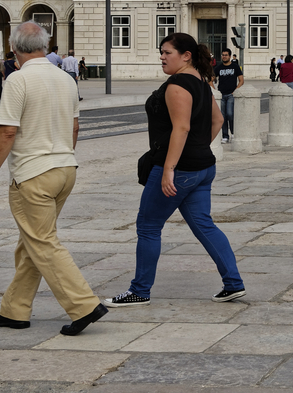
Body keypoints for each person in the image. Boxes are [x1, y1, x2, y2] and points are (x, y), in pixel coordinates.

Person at [0, 21, 107, 336]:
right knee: (31, 243)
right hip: (65, 169)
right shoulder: (65, 79)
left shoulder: (18, 80)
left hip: (33, 174)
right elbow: (75, 128)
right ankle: (14, 310)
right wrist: (62, 155)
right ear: (46, 46)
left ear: (15, 48)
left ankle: (84, 305)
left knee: (43, 242)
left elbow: (7, 130)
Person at [105, 32, 245, 308]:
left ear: (186, 56)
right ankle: (233, 283)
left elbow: (182, 128)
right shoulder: (202, 82)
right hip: (202, 168)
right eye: (161, 51)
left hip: (178, 169)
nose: (162, 57)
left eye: (167, 52)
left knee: (148, 226)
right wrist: (198, 148)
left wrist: (169, 168)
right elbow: (217, 120)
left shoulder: (177, 85)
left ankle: (139, 290)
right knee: (204, 225)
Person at [215, 48, 244, 143]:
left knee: (230, 114)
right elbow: (210, 79)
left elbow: (241, 80)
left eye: (226, 55)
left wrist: (235, 91)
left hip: (231, 94)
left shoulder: (235, 67)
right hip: (222, 94)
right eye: (223, 55)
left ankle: (233, 133)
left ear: (230, 56)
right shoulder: (219, 68)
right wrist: (215, 91)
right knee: (222, 117)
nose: (224, 56)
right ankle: (225, 136)